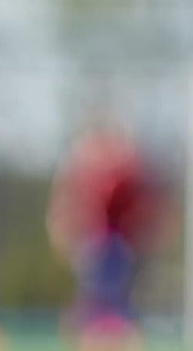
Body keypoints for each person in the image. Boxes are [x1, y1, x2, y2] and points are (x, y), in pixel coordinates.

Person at [47, 121, 165, 332]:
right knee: (97, 292)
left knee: (114, 292)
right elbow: (70, 207)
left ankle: (110, 328)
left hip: (119, 244)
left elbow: (142, 209)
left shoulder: (125, 173)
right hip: (96, 243)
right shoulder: (87, 171)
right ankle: (93, 328)